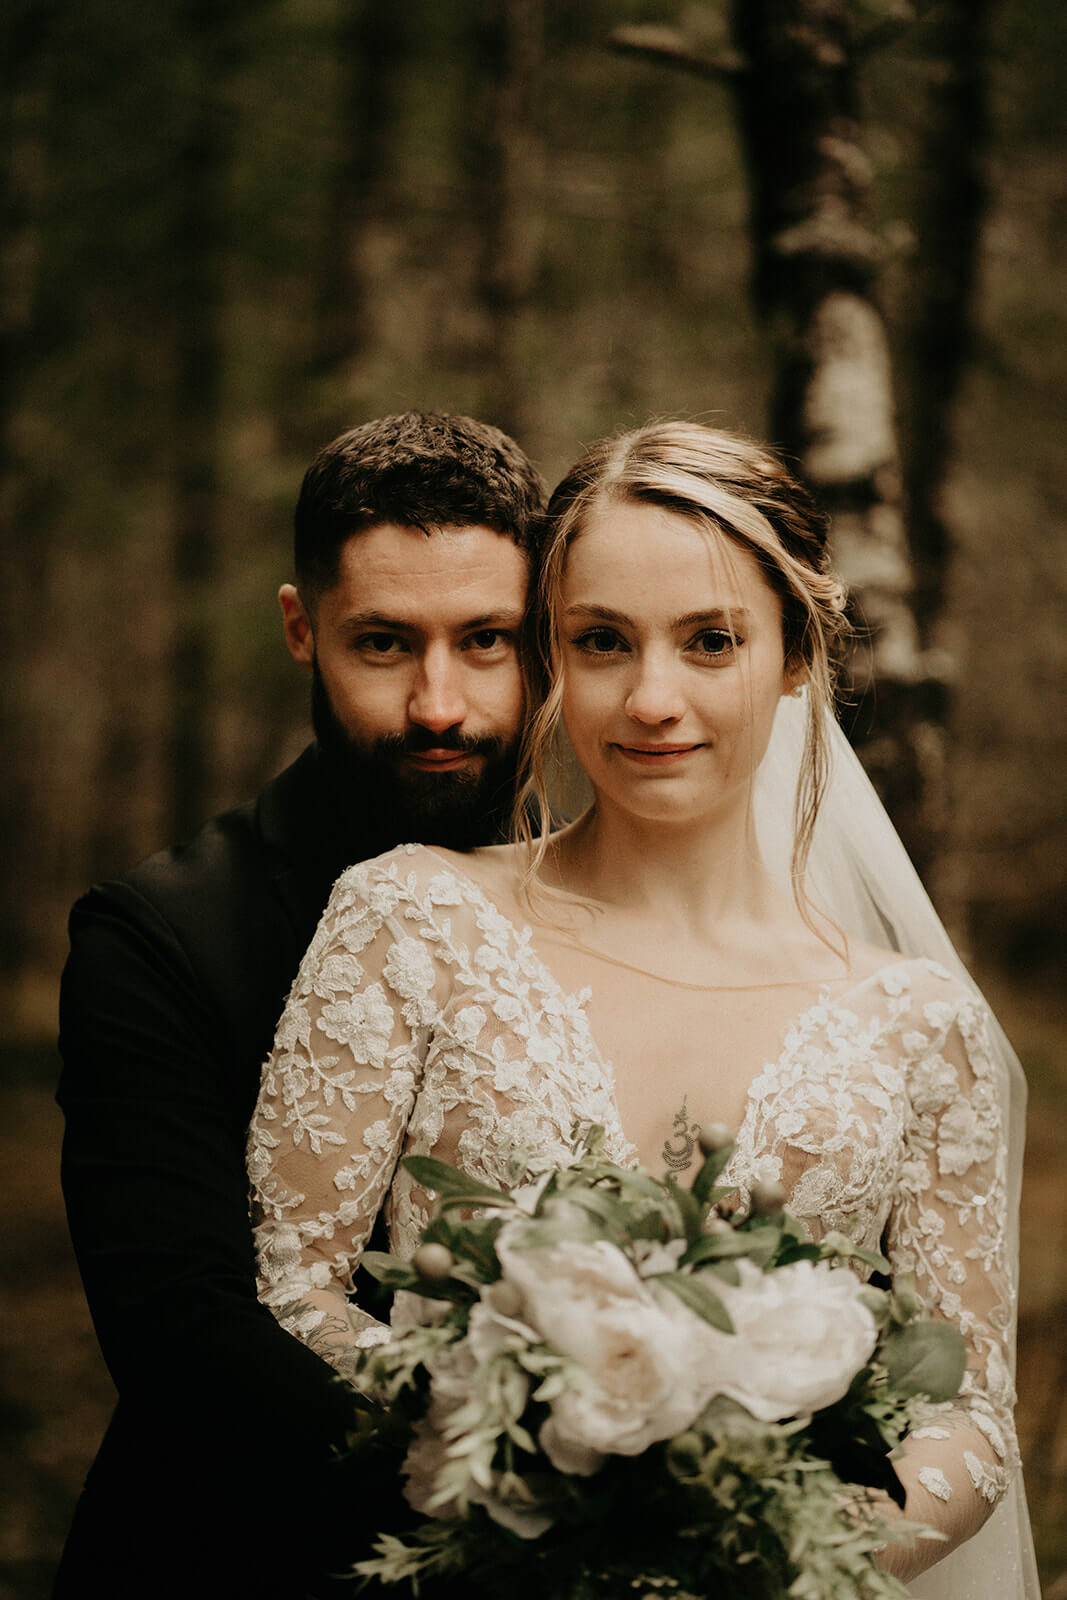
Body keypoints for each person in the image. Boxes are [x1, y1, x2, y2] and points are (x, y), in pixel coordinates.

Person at [248, 419, 1039, 1598]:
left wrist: (759, 1542)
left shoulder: (921, 1030)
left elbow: (967, 1411)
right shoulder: (410, 919)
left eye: (710, 640)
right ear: (550, 654)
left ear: (792, 655)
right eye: (601, 641)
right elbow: (295, 1288)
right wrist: (520, 1462)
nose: (651, 697)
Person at [55, 410, 545, 1599]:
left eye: (486, 639)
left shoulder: (613, 902)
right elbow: (185, 1335)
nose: (440, 704)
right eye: (383, 644)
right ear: (299, 627)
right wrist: (534, 1504)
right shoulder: (157, 933)